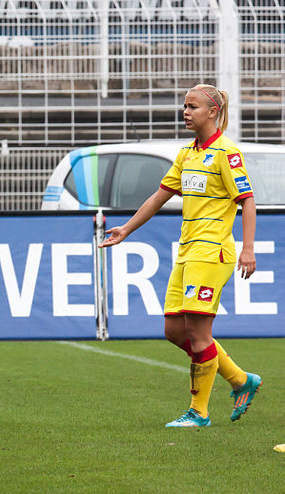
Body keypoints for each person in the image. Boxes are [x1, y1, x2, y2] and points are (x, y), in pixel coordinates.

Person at [99, 83, 261, 428]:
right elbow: (160, 195)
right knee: (174, 330)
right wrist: (126, 229)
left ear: (212, 112)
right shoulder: (187, 154)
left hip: (212, 252)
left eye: (192, 107)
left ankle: (198, 412)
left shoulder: (226, 153)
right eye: (184, 106)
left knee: (199, 334)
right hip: (187, 251)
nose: (185, 112)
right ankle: (239, 379)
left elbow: (246, 200)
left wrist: (247, 248)